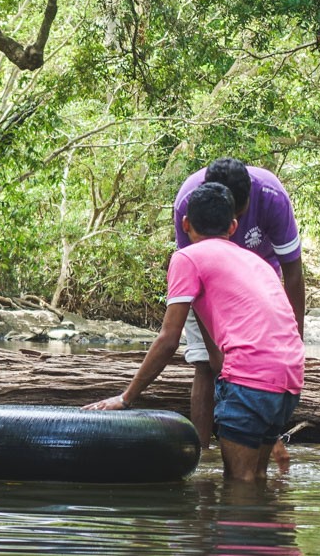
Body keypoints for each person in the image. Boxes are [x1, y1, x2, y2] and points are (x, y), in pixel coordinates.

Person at [85, 182, 304, 482]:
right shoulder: (257, 262)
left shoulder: (188, 258)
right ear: (233, 226)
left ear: (186, 224)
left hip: (251, 380)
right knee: (258, 478)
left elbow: (168, 339)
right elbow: (222, 347)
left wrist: (125, 398)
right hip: (290, 377)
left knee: (238, 484)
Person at [174, 157, 304, 461]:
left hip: (259, 284)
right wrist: (214, 350)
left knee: (263, 364)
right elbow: (194, 279)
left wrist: (295, 340)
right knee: (205, 365)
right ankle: (202, 456)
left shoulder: (272, 197)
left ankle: (266, 442)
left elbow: (294, 274)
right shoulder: (190, 201)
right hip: (208, 286)